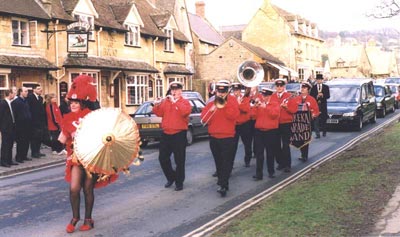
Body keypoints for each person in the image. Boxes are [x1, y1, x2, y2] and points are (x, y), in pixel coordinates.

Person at [58, 75, 117, 233]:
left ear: (82, 103)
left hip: (91, 159)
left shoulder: (92, 116)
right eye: (71, 103)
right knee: (74, 188)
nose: (73, 105)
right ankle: (75, 217)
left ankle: (88, 219)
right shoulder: (67, 119)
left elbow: (104, 134)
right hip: (76, 159)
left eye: (76, 103)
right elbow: (61, 139)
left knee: (87, 189)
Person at [201, 80, 239, 197]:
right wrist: (211, 109)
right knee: (218, 161)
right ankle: (222, 180)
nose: (221, 93)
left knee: (226, 161)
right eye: (219, 91)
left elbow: (234, 116)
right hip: (214, 136)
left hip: (227, 136)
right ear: (216, 90)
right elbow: (203, 119)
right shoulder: (212, 101)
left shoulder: (232, 101)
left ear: (227, 91)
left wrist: (224, 105)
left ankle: (224, 185)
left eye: (223, 91)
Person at [152, 81, 192, 191]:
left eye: (177, 89)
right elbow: (158, 113)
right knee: (163, 158)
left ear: (181, 91)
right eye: (173, 89)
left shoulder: (185, 102)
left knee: (179, 160)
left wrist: (175, 102)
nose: (174, 92)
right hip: (166, 133)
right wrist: (156, 104)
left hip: (179, 133)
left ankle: (179, 182)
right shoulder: (166, 101)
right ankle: (171, 177)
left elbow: (185, 112)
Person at [252, 87, 280, 180]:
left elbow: (274, 115)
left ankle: (271, 172)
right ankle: (258, 174)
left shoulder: (275, 104)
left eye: (266, 96)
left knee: (270, 153)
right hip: (259, 131)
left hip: (270, 131)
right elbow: (252, 116)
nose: (264, 98)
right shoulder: (259, 103)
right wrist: (254, 107)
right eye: (263, 96)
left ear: (270, 96)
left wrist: (266, 107)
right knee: (259, 154)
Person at [270, 79, 297, 173]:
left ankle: (287, 165)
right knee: (276, 145)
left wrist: (287, 107)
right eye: (277, 86)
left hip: (286, 123)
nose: (279, 88)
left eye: (281, 86)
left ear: (284, 87)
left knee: (285, 145)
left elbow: (294, 110)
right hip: (275, 123)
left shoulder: (289, 96)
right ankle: (280, 162)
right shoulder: (272, 97)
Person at [292, 81, 320, 161]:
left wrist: (313, 115)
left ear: (308, 90)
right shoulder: (296, 98)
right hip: (298, 122)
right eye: (302, 88)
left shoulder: (312, 99)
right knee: (300, 138)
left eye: (304, 88)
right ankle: (302, 153)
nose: (303, 89)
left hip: (308, 122)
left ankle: (305, 155)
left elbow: (316, 111)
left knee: (306, 138)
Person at [232, 83, 252, 167]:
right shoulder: (231, 99)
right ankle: (230, 163)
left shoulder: (245, 98)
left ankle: (247, 160)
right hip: (235, 125)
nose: (236, 92)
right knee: (232, 146)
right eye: (234, 90)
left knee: (247, 144)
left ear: (240, 90)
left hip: (245, 124)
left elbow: (246, 109)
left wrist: (239, 104)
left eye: (237, 90)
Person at [11, 87, 32, 163]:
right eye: (25, 91)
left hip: (27, 125)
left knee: (26, 141)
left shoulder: (26, 101)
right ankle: (19, 157)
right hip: (20, 125)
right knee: (20, 141)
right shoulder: (16, 102)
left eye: (27, 91)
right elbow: (14, 114)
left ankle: (24, 155)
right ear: (21, 92)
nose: (27, 93)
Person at [27, 84, 47, 158]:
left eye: (40, 89)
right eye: (38, 89)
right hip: (33, 122)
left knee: (39, 137)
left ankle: (38, 151)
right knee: (34, 137)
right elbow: (29, 109)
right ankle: (34, 152)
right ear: (34, 90)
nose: (40, 90)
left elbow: (41, 110)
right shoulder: (30, 97)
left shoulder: (41, 98)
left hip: (40, 121)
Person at [0, 89, 17, 167]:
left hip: (12, 127)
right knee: (5, 145)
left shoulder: (11, 103)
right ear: (9, 94)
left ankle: (9, 160)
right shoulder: (3, 103)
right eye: (13, 94)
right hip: (5, 128)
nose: (14, 95)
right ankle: (3, 161)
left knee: (10, 144)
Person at [310, 74, 330, 138]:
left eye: (320, 80)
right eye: (318, 79)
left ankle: (324, 132)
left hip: (323, 105)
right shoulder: (313, 87)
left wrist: (323, 95)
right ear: (316, 80)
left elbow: (328, 96)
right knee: (316, 120)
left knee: (324, 119)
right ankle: (317, 134)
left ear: (322, 80)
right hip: (316, 106)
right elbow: (311, 96)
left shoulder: (326, 87)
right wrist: (316, 96)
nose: (319, 81)